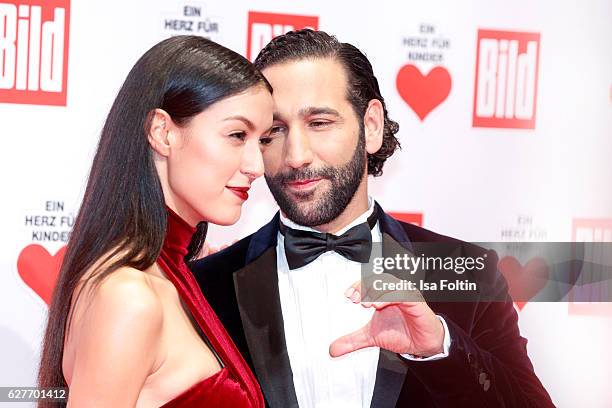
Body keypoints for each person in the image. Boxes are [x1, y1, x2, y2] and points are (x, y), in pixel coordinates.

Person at [190, 29, 555, 407]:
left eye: (319, 123)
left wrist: (440, 346)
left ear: (372, 125)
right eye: (275, 131)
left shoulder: (463, 270)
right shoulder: (206, 286)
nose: (296, 155)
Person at [38, 35, 273, 407]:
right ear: (162, 132)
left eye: (262, 140)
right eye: (236, 135)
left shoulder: (170, 278)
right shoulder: (130, 297)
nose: (256, 166)